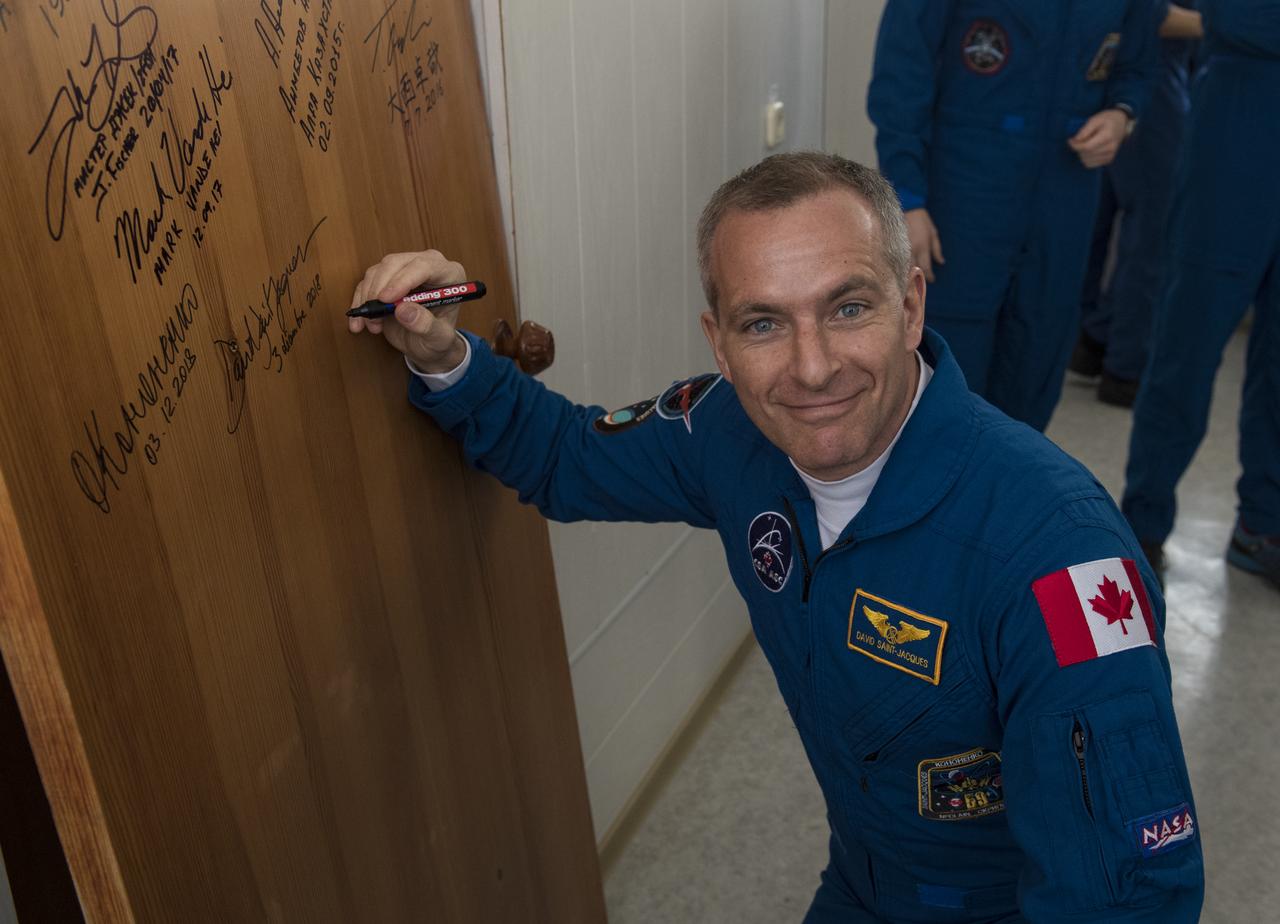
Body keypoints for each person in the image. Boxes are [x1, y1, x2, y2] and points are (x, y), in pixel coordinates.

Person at [348, 153, 1203, 922]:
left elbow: (1125, 899)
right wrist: (441, 352)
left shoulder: (1058, 554)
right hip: (864, 880)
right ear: (719, 344)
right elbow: (566, 456)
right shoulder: (729, 430)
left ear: (910, 307)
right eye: (763, 324)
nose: (813, 367)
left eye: (848, 307)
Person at [868, 0, 1164, 430]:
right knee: (944, 374)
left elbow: (1139, 64)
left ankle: (1014, 475)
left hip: (1064, 198)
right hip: (962, 197)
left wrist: (1121, 114)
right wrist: (906, 200)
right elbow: (902, 75)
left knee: (1037, 357)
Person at [1121, 0, 1280, 587]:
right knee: (1188, 346)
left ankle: (1262, 522)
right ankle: (1143, 522)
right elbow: (1232, 18)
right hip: (1238, 140)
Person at [1071, 3, 1203, 408]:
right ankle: (1125, 367)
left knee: (1114, 223)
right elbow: (1153, 14)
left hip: (1135, 77)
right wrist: (1227, 24)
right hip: (1152, 82)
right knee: (1152, 234)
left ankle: (1095, 339)